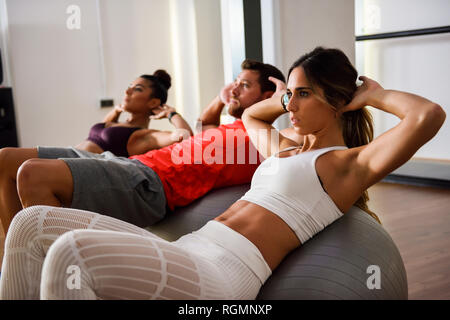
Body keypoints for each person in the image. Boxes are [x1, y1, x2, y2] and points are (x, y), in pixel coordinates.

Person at [0, 46, 444, 300]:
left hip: (223, 277)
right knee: (30, 222)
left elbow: (428, 116)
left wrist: (370, 95)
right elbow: (253, 116)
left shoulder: (348, 165)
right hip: (193, 247)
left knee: (71, 253)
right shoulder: (286, 149)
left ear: (335, 99)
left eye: (303, 95)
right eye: (289, 94)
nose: (290, 105)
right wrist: (292, 91)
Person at [0, 60, 286, 234]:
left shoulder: (261, 139)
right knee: (8, 160)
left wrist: (279, 103)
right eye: (235, 83)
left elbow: (292, 151)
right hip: (134, 166)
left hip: (151, 185)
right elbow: (205, 120)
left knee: (32, 174)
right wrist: (227, 95)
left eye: (244, 85)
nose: (234, 89)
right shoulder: (227, 130)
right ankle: (18, 266)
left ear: (270, 95)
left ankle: (44, 276)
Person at [0, 70, 193, 234]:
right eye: (129, 86)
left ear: (153, 103)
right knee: (4, 158)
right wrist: (117, 111)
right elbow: (101, 130)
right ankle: (12, 253)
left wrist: (172, 114)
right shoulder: (118, 122)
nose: (127, 91)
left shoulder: (144, 135)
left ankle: (31, 256)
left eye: (137, 89)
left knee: (26, 170)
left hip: (89, 164)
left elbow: (185, 137)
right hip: (71, 156)